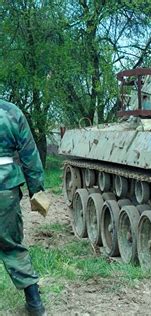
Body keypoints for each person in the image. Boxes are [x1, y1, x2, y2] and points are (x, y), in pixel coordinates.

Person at [0, 100, 46, 315]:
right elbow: (29, 153)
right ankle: (35, 303)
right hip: (5, 187)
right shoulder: (10, 111)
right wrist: (36, 190)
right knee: (11, 244)